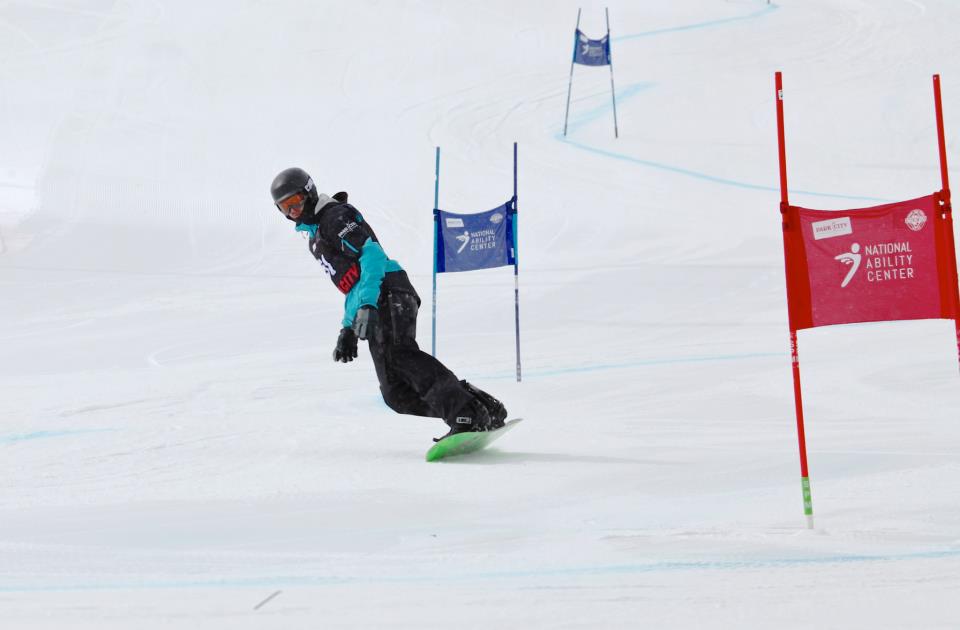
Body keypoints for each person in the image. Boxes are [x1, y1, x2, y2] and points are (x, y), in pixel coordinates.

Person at [270, 167, 507, 439]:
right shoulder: (315, 235)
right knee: (396, 394)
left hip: (388, 289)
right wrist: (347, 327)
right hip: (373, 297)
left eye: (295, 201)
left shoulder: (335, 217)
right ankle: (479, 407)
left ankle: (464, 412)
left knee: (401, 356)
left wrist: (369, 305)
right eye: (284, 207)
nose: (293, 211)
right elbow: (352, 285)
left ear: (309, 191)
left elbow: (372, 254)